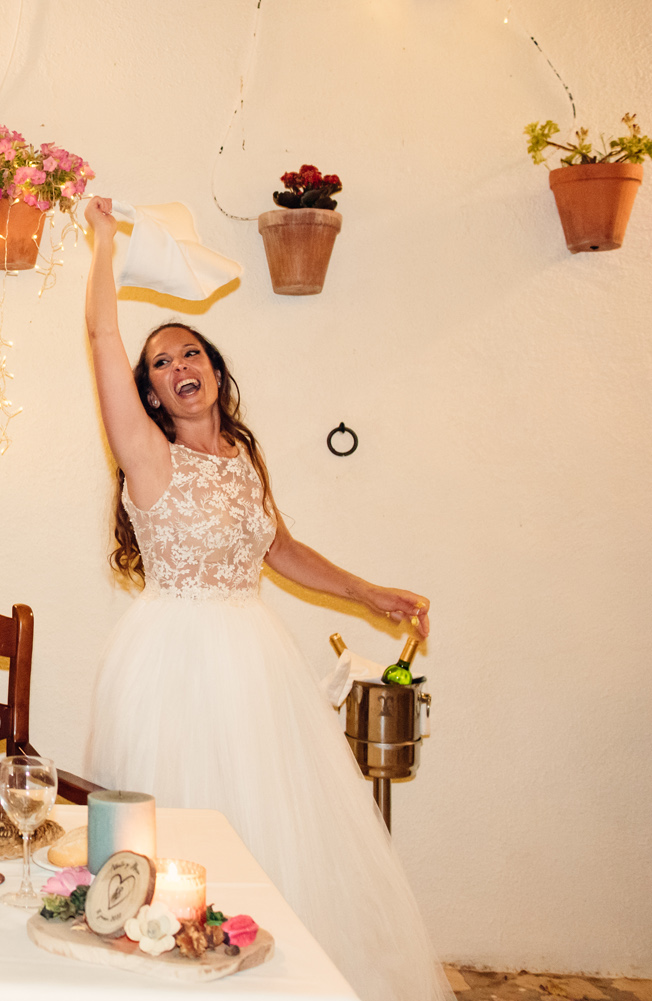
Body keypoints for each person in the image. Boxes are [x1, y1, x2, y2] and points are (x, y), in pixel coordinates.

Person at [79, 197, 451, 1001]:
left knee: (278, 828)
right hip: (173, 663)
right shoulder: (148, 455)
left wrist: (369, 593)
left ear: (214, 371)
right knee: (182, 829)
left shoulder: (243, 458)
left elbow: (278, 548)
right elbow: (103, 337)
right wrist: (104, 242)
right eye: (160, 363)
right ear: (150, 394)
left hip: (255, 662)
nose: (179, 365)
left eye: (191, 352)